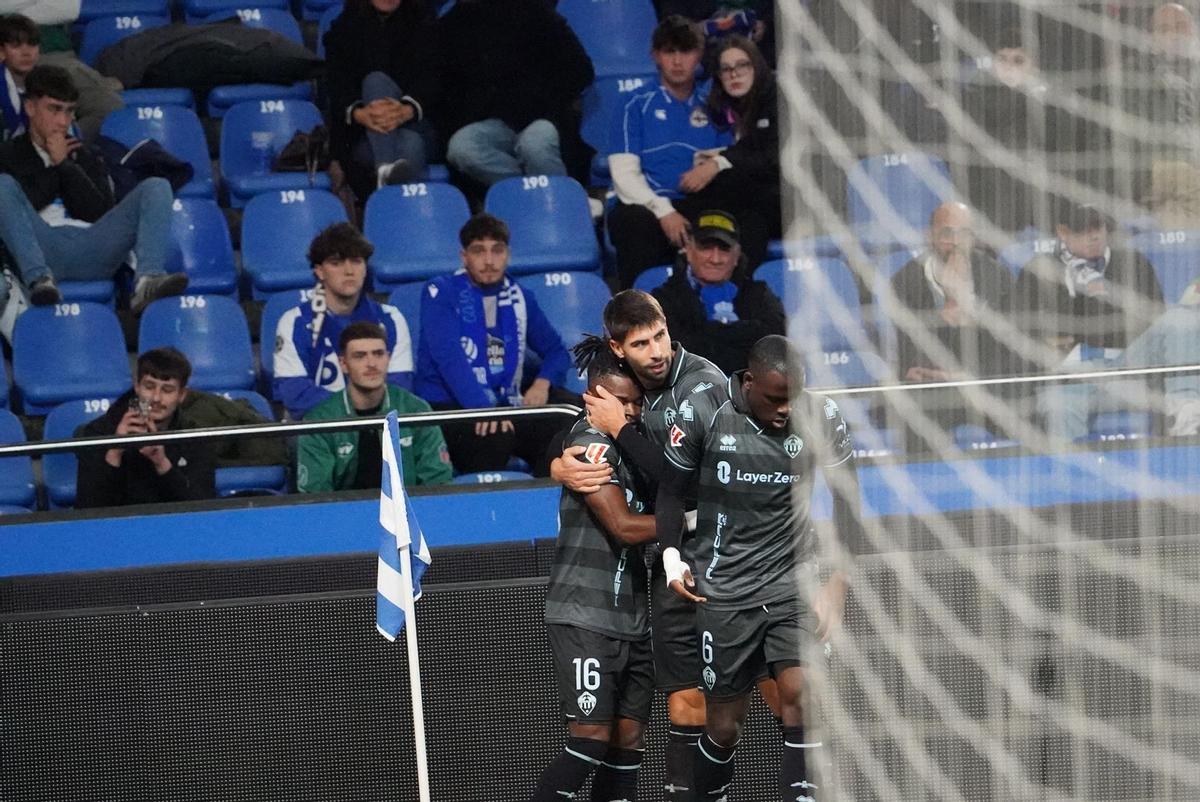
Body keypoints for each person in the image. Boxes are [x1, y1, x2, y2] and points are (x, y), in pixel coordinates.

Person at [655, 334, 863, 802]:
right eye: (774, 397)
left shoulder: (822, 416)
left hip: (793, 582)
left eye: (793, 397)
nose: (787, 408)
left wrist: (838, 581)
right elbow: (669, 492)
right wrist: (671, 557)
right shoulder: (703, 411)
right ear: (748, 382)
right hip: (723, 590)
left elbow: (849, 497)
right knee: (724, 727)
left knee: (803, 697)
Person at [551, 289, 731, 802]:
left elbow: (676, 471)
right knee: (669, 706)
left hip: (721, 554)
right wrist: (559, 460)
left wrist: (622, 427)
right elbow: (587, 427)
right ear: (619, 348)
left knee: (766, 693)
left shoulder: (701, 384)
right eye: (642, 343)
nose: (656, 351)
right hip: (642, 576)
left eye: (660, 337)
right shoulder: (622, 402)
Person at [531, 337, 658, 802]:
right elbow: (624, 527)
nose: (629, 412)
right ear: (592, 398)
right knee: (590, 736)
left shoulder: (639, 446)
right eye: (619, 402)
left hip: (634, 617)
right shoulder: (590, 445)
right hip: (585, 614)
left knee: (627, 741)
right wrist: (694, 520)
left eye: (635, 402)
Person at [0, 64, 185, 310]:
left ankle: (147, 280)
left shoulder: (86, 154)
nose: (63, 122)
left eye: (69, 112)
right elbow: (19, 210)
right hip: (41, 249)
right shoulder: (8, 154)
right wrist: (56, 166)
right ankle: (39, 281)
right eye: (54, 110)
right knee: (3, 185)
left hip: (93, 248)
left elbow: (98, 213)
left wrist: (66, 165)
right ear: (31, 107)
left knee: (157, 186)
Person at [607, 16, 769, 290]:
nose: (678, 61)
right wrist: (664, 212)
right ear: (655, 55)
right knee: (629, 220)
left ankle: (746, 300)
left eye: (686, 51)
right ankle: (641, 315)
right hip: (653, 208)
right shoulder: (633, 104)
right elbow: (624, 175)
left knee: (752, 212)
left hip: (702, 204)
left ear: (699, 54)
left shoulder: (716, 102)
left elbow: (737, 156)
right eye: (670, 51)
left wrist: (716, 162)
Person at [415, 213, 572, 476]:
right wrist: (482, 408)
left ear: (507, 254)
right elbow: (449, 359)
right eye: (479, 251)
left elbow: (556, 351)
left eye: (497, 251)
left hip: (504, 401)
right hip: (449, 405)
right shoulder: (440, 292)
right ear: (464, 257)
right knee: (494, 437)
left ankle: (549, 501)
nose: (489, 261)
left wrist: (542, 383)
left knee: (567, 417)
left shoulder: (520, 296)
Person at [1014, 201, 1164, 441]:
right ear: (1062, 232)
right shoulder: (1037, 271)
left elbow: (1155, 324)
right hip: (1069, 380)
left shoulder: (1134, 264)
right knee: (1057, 406)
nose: (1093, 236)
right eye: (1082, 230)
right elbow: (1027, 335)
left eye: (1097, 227)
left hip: (1127, 373)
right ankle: (1071, 476)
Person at [889, 202, 1016, 449]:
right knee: (919, 415)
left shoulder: (997, 276)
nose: (957, 242)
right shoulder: (904, 283)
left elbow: (1009, 349)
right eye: (948, 233)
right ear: (930, 236)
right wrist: (948, 309)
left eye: (965, 234)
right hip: (934, 393)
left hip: (984, 386)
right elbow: (910, 358)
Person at [437, 0, 593, 189]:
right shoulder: (451, 25)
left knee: (535, 144)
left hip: (545, 116)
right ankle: (529, 194)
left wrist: (541, 101)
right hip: (493, 121)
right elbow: (447, 88)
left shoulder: (536, 11)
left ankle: (564, 204)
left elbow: (581, 70)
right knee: (462, 148)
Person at [273, 222, 413, 420]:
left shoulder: (391, 319)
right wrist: (354, 409)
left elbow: (399, 387)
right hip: (320, 427)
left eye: (356, 261)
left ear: (365, 268)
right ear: (319, 271)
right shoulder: (294, 321)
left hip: (377, 422)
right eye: (336, 263)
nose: (349, 271)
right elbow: (296, 395)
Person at [298, 322, 451, 493]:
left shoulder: (416, 410)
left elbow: (438, 482)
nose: (371, 363)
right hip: (345, 515)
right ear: (343, 363)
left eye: (378, 354)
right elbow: (316, 494)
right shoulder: (320, 420)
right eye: (360, 356)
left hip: (406, 514)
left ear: (388, 358)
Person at [323, 0, 441, 197]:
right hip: (365, 132)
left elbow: (435, 80)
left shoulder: (426, 23)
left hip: (419, 125)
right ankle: (386, 170)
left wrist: (406, 110)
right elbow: (337, 87)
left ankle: (383, 170)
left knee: (377, 83)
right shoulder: (344, 29)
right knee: (409, 145)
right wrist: (360, 113)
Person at [75, 347, 216, 508]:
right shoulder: (98, 432)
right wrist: (114, 452)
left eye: (167, 390)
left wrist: (162, 464)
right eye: (149, 387)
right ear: (137, 386)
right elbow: (86, 509)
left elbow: (202, 510)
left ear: (181, 395)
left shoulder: (196, 438)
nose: (156, 398)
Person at [652, 209, 784, 374]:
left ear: (736, 256)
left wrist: (704, 334)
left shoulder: (759, 293)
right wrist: (741, 334)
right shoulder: (663, 299)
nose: (715, 258)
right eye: (705, 248)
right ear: (688, 250)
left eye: (724, 249)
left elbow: (776, 346)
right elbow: (674, 352)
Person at [704, 35, 781, 240]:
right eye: (726, 69)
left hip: (789, 201)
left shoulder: (778, 96)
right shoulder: (726, 106)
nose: (734, 74)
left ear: (756, 66)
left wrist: (720, 161)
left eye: (742, 65)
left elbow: (773, 157)